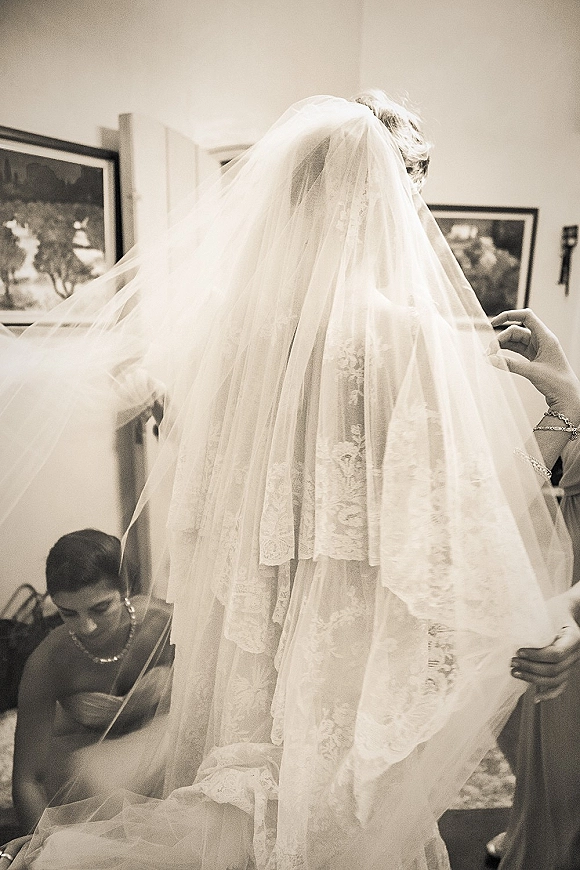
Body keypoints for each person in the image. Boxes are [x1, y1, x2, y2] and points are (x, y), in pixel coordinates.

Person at [0, 92, 576, 870]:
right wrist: (566, 408)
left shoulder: (227, 342)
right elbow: (474, 538)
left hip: (255, 690)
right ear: (393, 199)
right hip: (353, 685)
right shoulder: (411, 341)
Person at [0, 529, 173, 867]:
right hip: (89, 770)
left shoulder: (163, 625)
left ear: (124, 589)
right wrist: (49, 847)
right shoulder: (48, 661)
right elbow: (27, 779)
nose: (87, 626)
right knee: (95, 780)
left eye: (101, 607)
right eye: (68, 613)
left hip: (162, 748)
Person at [483, 309, 580, 868]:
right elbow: (486, 506)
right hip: (562, 630)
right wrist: (566, 410)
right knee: (549, 795)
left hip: (569, 620)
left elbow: (477, 511)